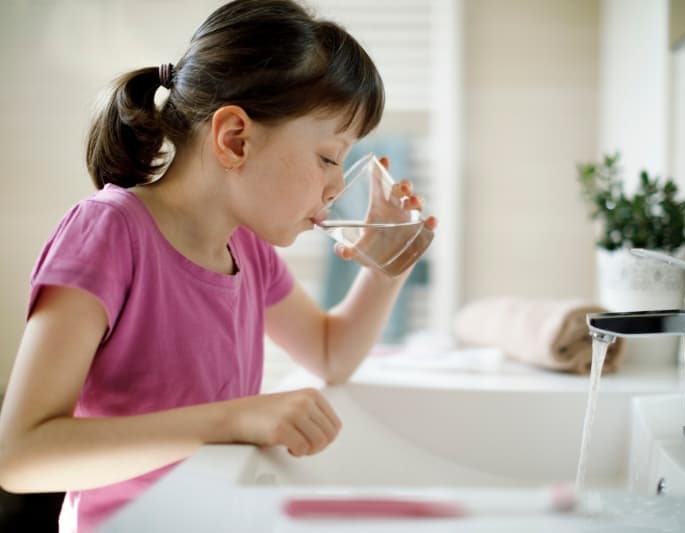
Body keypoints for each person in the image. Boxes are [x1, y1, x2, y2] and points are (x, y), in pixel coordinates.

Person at [0, 1, 435, 531]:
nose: (337, 186)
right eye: (328, 157)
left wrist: (387, 267)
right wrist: (232, 420)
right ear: (235, 138)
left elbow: (330, 353)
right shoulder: (108, 233)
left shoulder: (247, 249)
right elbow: (21, 456)